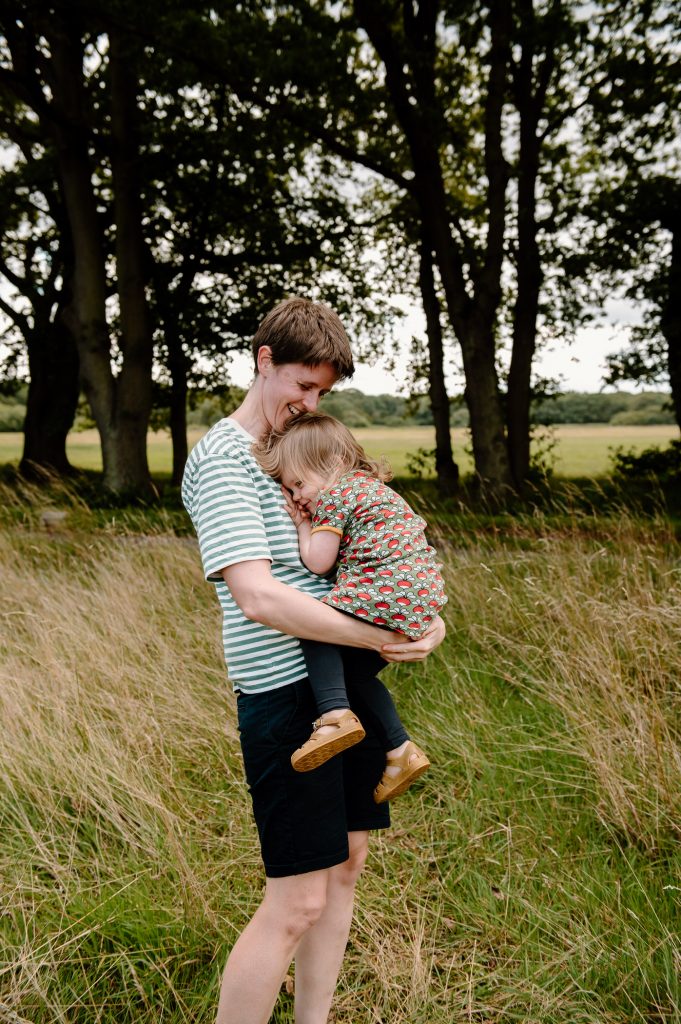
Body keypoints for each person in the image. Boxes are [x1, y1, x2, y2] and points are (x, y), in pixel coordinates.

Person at [181, 297, 445, 1024]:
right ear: (263, 361)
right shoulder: (224, 461)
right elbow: (260, 597)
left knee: (345, 869)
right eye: (302, 385)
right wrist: (374, 637)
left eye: (322, 392)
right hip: (286, 697)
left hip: (345, 691)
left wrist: (424, 623)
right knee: (296, 900)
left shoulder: (304, 451)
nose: (310, 403)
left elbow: (377, 548)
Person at [253, 411, 447, 804]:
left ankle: (334, 717)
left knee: (315, 625)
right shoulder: (374, 490)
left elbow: (318, 562)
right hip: (418, 594)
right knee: (354, 674)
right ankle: (400, 752)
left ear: (335, 463)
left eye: (299, 484)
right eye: (289, 489)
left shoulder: (336, 496)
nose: (296, 497)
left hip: (386, 587)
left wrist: (303, 525)